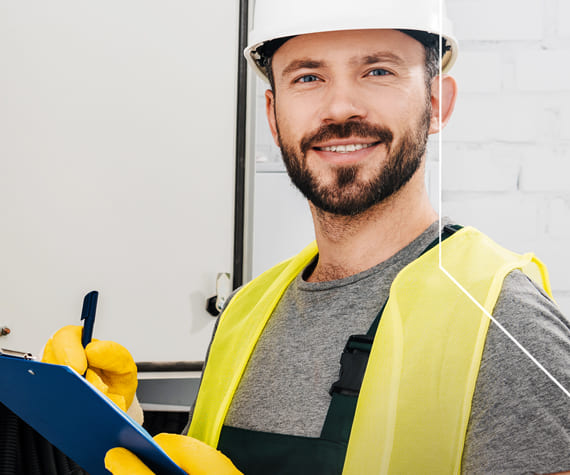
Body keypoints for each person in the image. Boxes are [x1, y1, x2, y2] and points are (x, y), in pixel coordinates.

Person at [44, 0, 570, 473]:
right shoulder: (245, 312)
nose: (340, 108)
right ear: (274, 118)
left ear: (439, 103)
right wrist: (120, 428)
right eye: (308, 78)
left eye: (378, 70)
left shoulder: (505, 321)